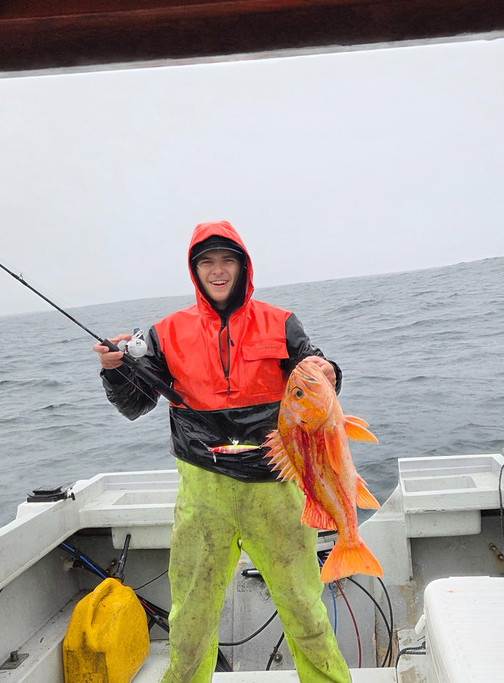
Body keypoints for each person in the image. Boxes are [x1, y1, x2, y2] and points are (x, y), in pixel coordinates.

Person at [93, 220, 351, 683]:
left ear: (242, 266)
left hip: (277, 489)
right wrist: (115, 370)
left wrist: (327, 368)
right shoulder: (165, 333)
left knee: (305, 610)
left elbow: (322, 381)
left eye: (226, 260)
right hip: (203, 490)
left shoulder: (282, 323)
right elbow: (135, 404)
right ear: (195, 270)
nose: (217, 270)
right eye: (206, 262)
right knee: (190, 618)